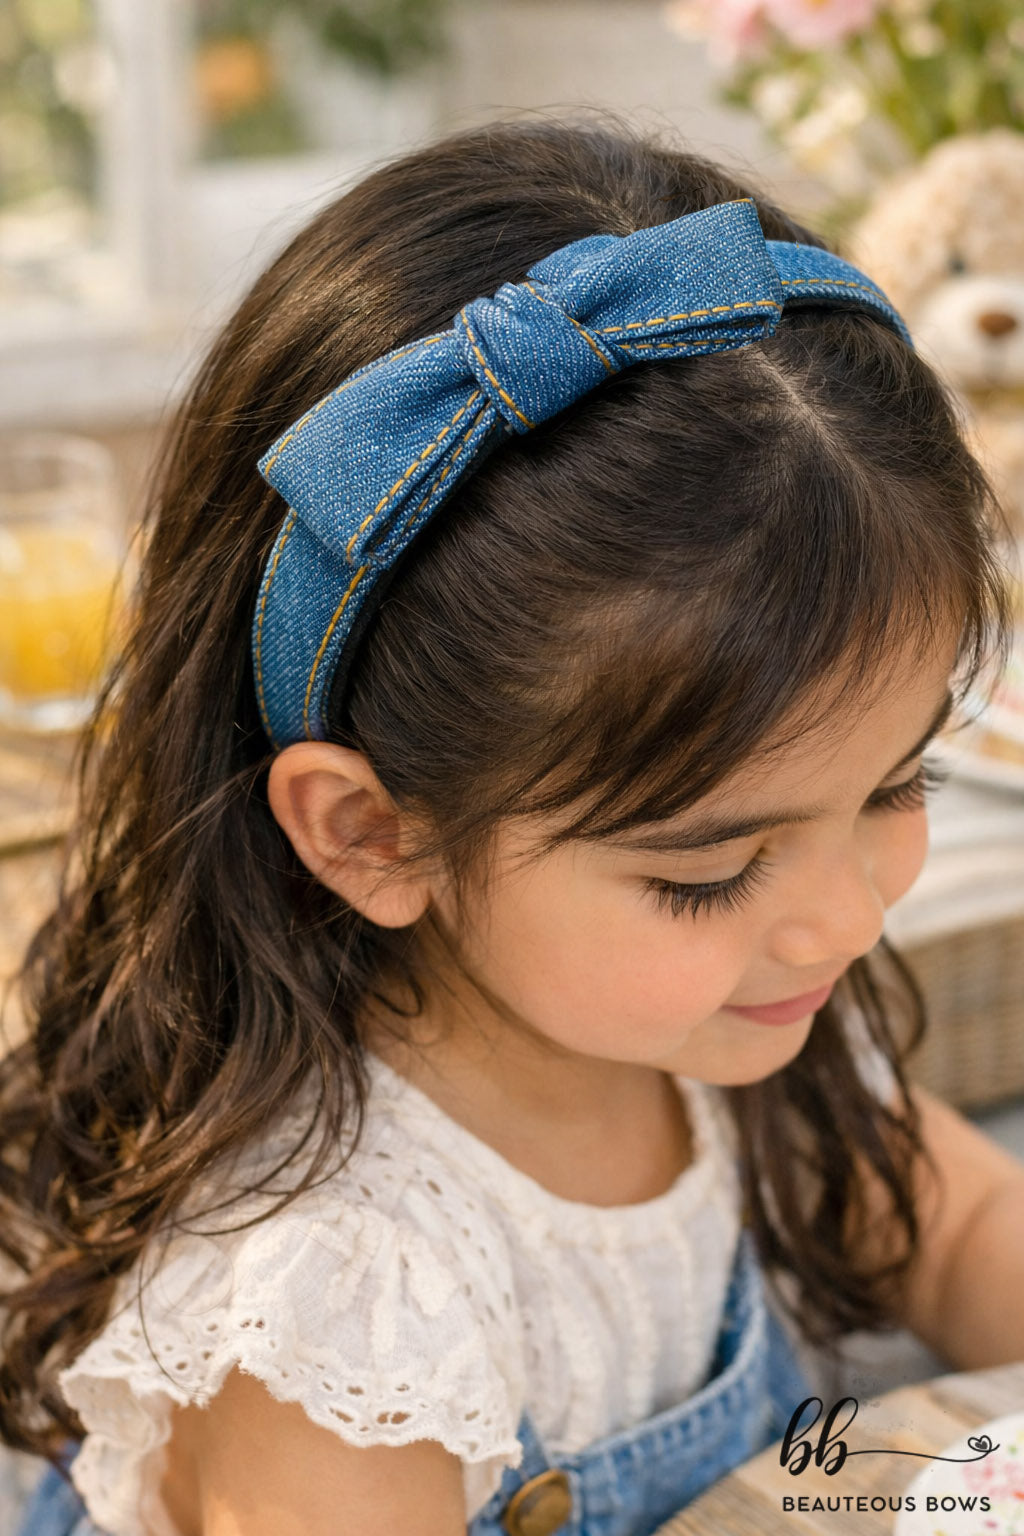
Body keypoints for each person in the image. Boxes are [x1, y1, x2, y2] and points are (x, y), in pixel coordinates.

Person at [1, 113, 1022, 1536]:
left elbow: (963, 1222)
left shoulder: (722, 1007)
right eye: (712, 870)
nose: (848, 916)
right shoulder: (335, 1311)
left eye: (896, 784)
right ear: (375, 835)